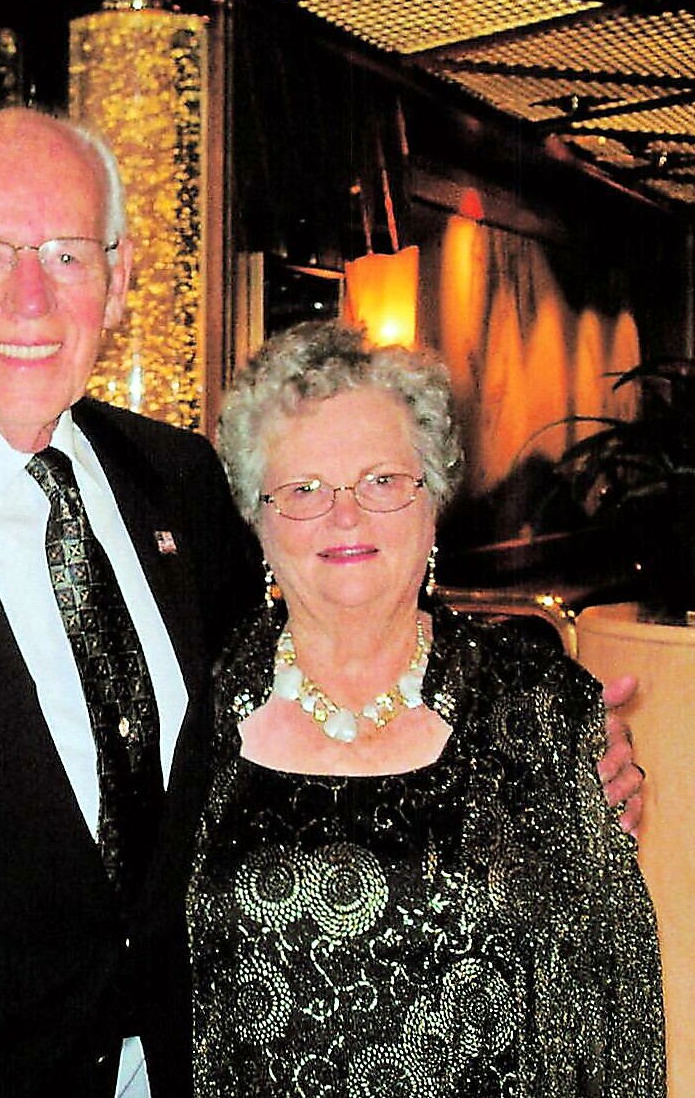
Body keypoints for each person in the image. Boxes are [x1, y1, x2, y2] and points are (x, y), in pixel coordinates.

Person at [0, 105, 647, 1098]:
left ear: (118, 278)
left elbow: (313, 662)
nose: (32, 297)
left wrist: (526, 745)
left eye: (67, 256)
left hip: (194, 1066)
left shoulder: (176, 482)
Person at [189, 320, 664, 1095]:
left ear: (433, 501)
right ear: (257, 518)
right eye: (304, 489)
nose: (345, 515)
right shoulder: (192, 706)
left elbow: (612, 1002)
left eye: (381, 481)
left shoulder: (540, 710)